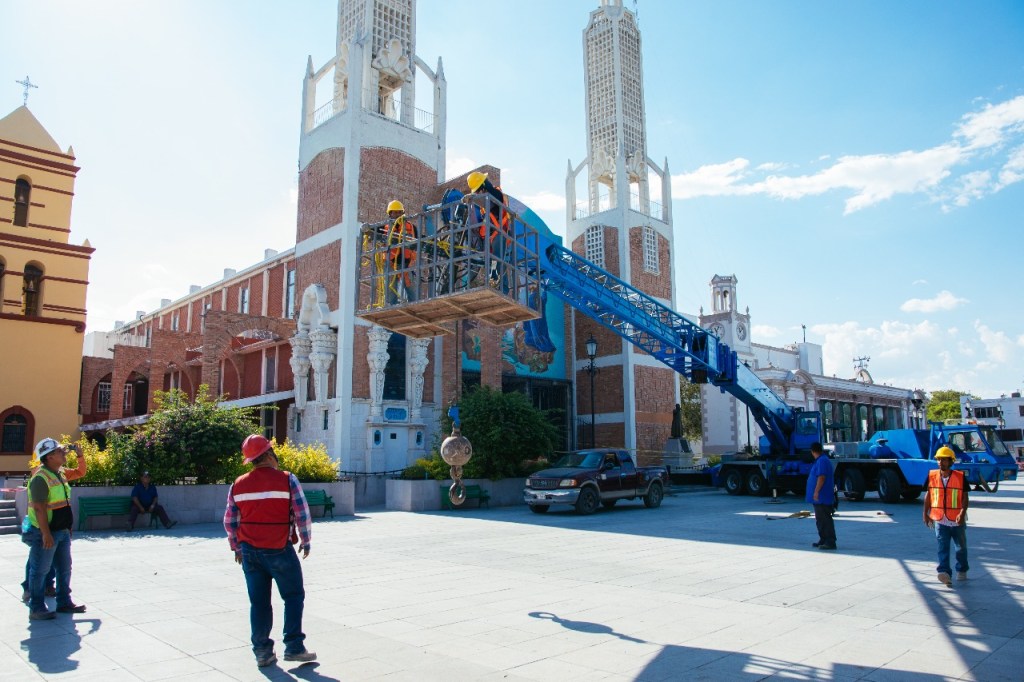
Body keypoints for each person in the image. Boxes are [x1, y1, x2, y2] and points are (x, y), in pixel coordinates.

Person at [224, 435, 316, 668]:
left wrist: (236, 546)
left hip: (249, 552)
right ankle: (294, 646)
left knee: (259, 603)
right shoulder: (287, 480)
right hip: (279, 548)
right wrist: (305, 540)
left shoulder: (238, 484)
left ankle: (263, 652)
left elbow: (230, 520)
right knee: (293, 596)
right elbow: (302, 512)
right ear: (267, 455)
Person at [22, 438, 88, 620]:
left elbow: (81, 472)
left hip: (62, 531)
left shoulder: (60, 473)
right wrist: (45, 533)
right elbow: (39, 508)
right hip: (46, 532)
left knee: (65, 568)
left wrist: (80, 456)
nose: (64, 453)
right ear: (49, 457)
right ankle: (36, 607)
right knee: (40, 570)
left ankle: (64, 602)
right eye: (60, 451)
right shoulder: (40, 478)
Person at [923, 445, 969, 586]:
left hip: (956, 520)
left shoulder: (960, 477)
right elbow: (929, 495)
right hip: (940, 519)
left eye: (943, 460)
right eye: (938, 460)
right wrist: (926, 513)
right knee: (942, 547)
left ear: (950, 461)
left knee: (960, 548)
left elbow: (965, 498)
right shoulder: (932, 476)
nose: (940, 463)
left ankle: (962, 569)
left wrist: (962, 513)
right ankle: (944, 573)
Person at [467, 171, 509, 287]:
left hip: (499, 234)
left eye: (477, 190)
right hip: (492, 235)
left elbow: (488, 202)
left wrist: (473, 198)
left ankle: (498, 285)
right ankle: (495, 284)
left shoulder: (496, 194)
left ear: (483, 186)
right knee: (493, 262)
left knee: (497, 261)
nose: (477, 193)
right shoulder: (486, 198)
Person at [384, 200, 418, 303]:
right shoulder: (385, 228)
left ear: (403, 213)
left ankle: (414, 306)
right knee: (390, 290)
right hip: (391, 263)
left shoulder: (411, 227)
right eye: (395, 212)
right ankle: (391, 307)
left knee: (411, 288)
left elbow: (416, 242)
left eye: (399, 212)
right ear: (390, 214)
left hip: (407, 263)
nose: (397, 214)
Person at [806, 442, 836, 550]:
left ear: (812, 451)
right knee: (820, 519)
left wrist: (816, 492)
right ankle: (823, 539)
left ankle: (830, 541)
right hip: (820, 498)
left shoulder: (822, 461)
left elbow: (821, 477)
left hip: (822, 496)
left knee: (825, 519)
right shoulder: (820, 460)